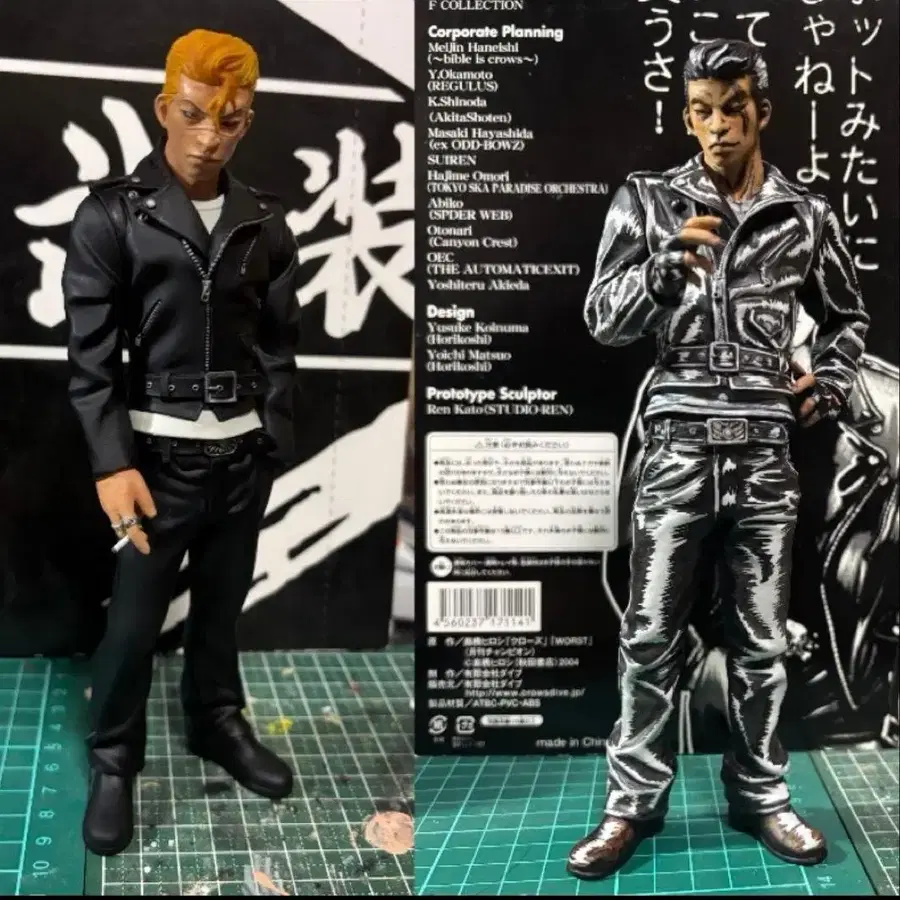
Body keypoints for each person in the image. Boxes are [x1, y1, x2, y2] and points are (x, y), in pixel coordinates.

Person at [567, 39, 869, 880]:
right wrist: (659, 276)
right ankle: (631, 805)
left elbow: (847, 317)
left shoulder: (804, 215)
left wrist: (831, 380)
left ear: (762, 110)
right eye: (701, 110)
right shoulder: (650, 199)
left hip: (765, 450)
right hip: (677, 446)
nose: (718, 126)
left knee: (762, 643)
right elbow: (601, 317)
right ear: (686, 115)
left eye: (733, 107)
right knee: (649, 636)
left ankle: (761, 793)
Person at [63, 29, 301, 856]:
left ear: (247, 122)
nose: (210, 136)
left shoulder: (263, 220)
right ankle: (113, 754)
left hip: (240, 457)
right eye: (195, 114)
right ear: (165, 108)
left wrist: (273, 435)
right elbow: (91, 361)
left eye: (230, 121)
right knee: (133, 624)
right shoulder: (113, 215)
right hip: (156, 460)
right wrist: (112, 462)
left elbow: (279, 342)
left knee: (222, 609)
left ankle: (215, 719)